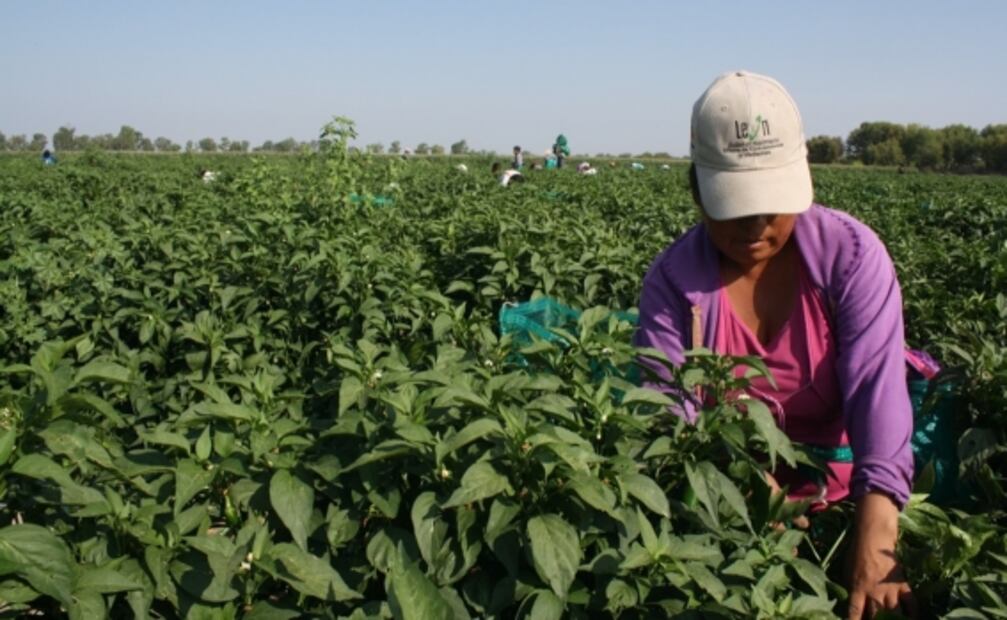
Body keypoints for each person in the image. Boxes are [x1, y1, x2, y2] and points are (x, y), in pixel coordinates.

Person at [634, 71, 915, 619]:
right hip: (726, 496)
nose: (756, 226)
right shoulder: (673, 283)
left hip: (848, 486)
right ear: (697, 190)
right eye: (734, 205)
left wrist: (877, 535)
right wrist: (743, 483)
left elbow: (877, 391)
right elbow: (670, 414)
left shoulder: (849, 258)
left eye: (773, 203)